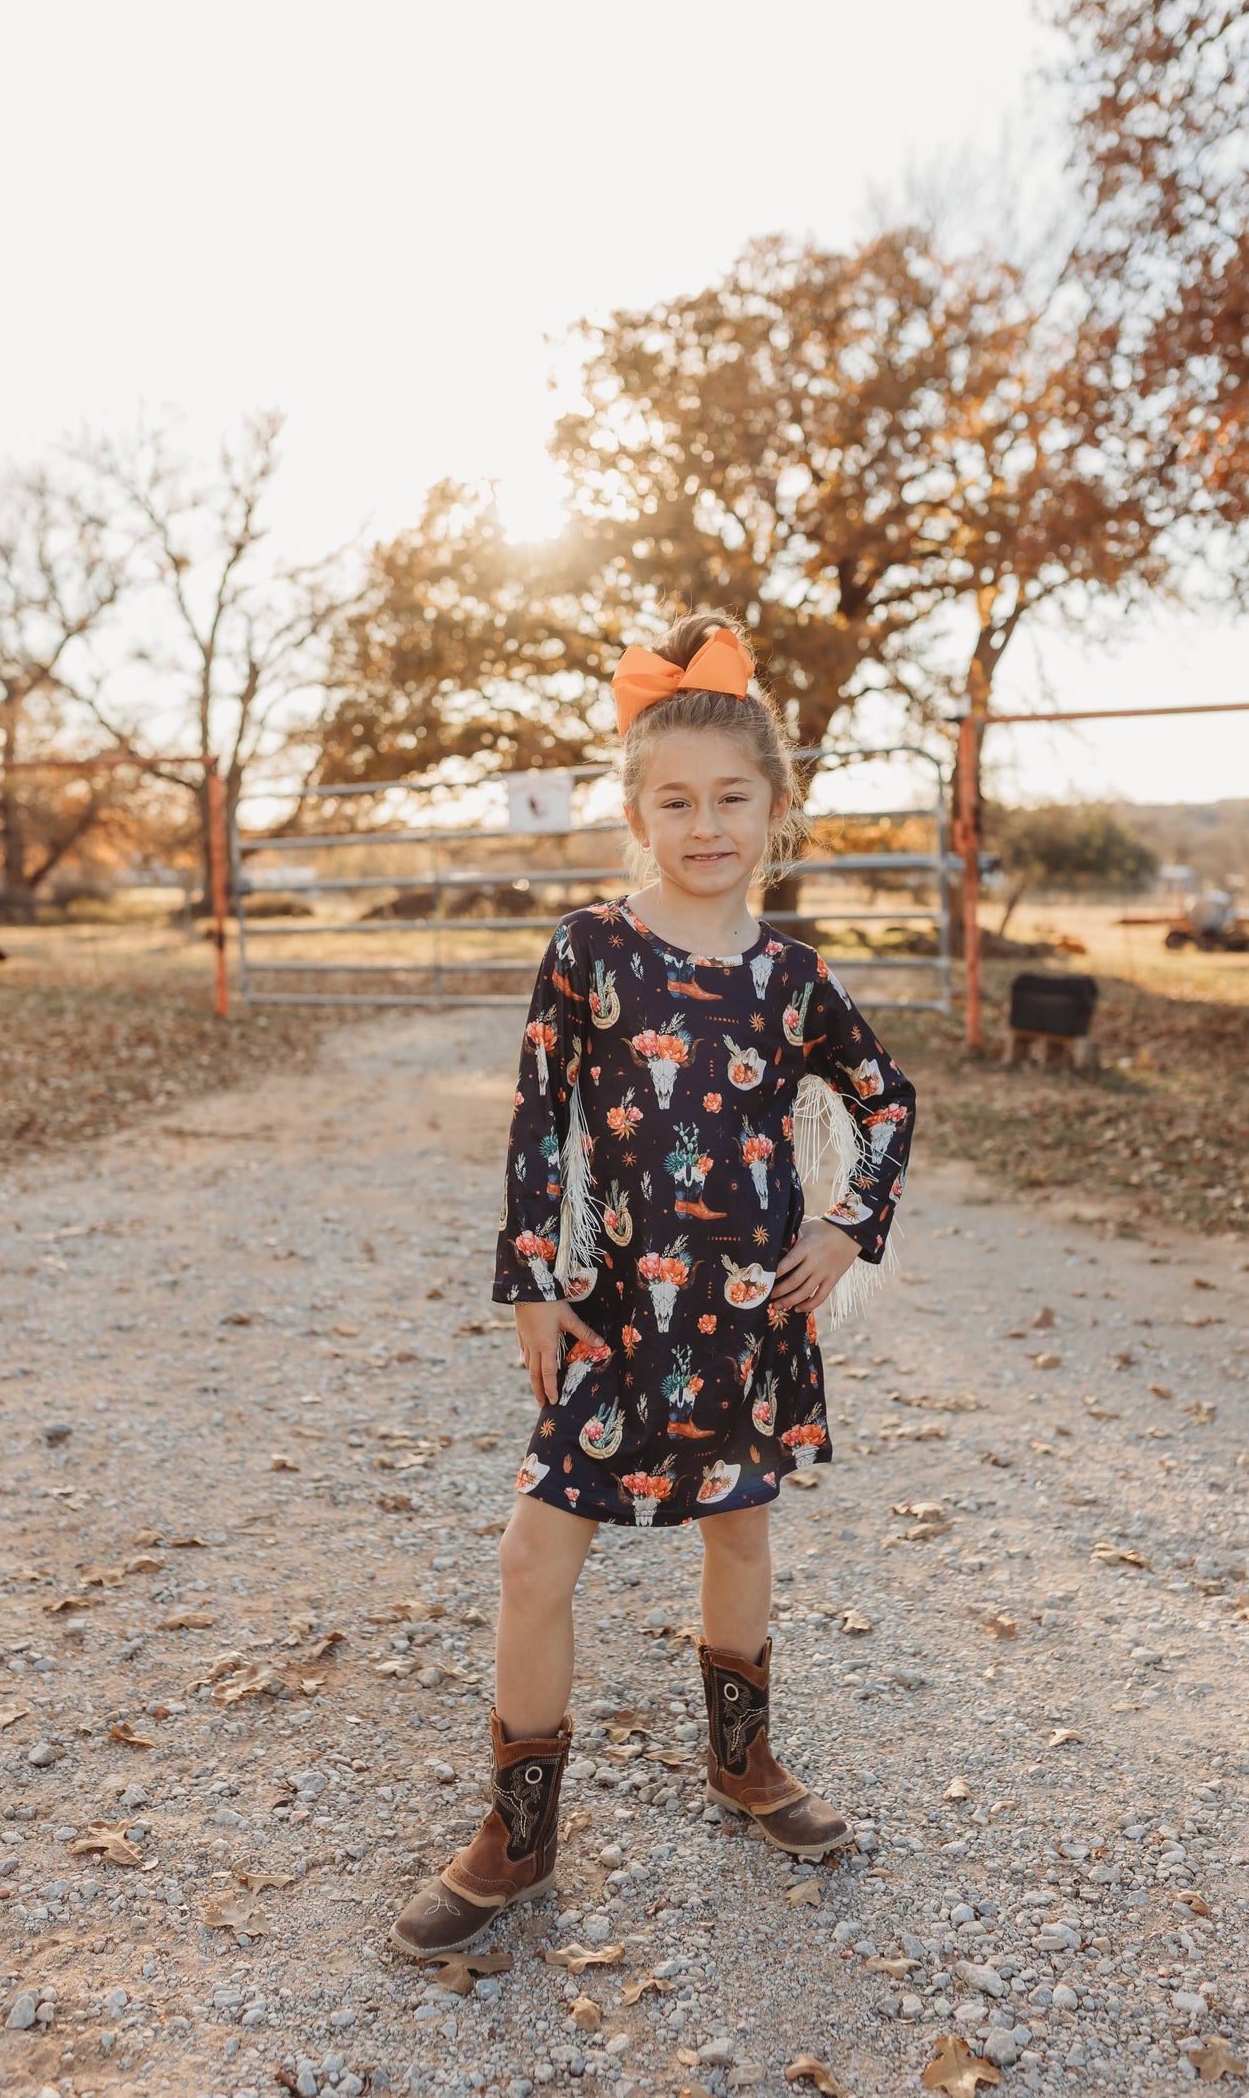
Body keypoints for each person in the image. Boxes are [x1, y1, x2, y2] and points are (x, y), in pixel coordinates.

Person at [390, 611, 916, 1961]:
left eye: (731, 798)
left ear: (776, 811)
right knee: (532, 1556)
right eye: (674, 801)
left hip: (747, 1319)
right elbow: (536, 1119)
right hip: (618, 1316)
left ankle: (743, 1763)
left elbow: (886, 1101)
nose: (705, 824)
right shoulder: (588, 953)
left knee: (738, 1534)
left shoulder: (792, 980)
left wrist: (847, 1228)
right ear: (635, 815)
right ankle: (519, 1834)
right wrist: (530, 1282)